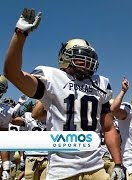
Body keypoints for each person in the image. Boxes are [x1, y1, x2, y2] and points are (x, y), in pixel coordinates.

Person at [3, 8, 125, 180]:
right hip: (63, 169)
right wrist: (20, 34)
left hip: (95, 166)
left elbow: (108, 127)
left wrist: (118, 164)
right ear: (65, 58)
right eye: (81, 58)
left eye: (90, 59)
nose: (87, 63)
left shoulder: (101, 83)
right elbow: (12, 73)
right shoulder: (54, 78)